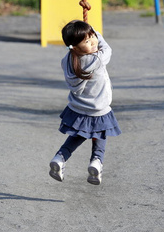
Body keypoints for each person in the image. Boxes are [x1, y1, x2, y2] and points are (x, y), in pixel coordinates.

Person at [49, 20, 121, 185]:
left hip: (77, 108)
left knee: (78, 135)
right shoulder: (95, 60)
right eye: (87, 41)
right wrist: (94, 30)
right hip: (98, 109)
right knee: (100, 134)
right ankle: (96, 161)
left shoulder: (67, 60)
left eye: (93, 37)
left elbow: (82, 46)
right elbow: (108, 49)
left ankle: (60, 158)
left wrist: (87, 33)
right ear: (76, 47)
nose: (94, 42)